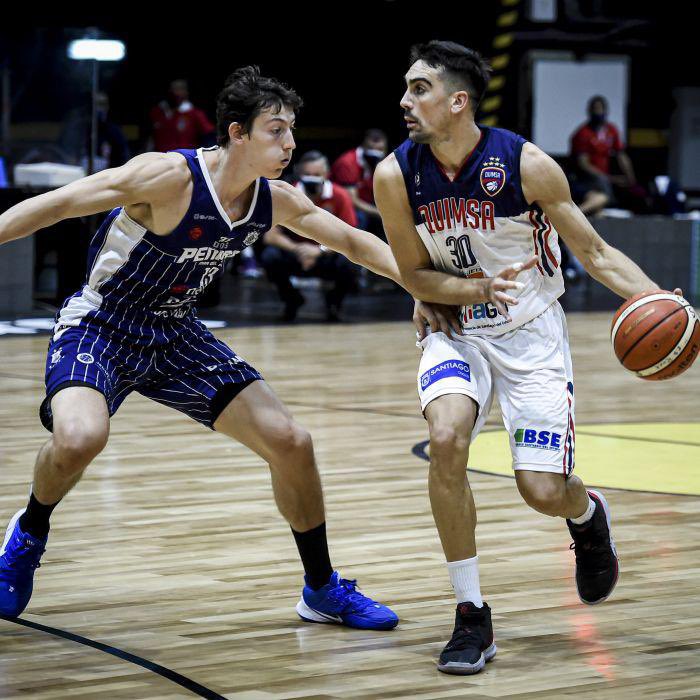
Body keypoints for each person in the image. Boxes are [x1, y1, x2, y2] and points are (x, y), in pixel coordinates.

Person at [0, 66, 456, 628]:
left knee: (292, 442)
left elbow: (353, 241)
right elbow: (57, 204)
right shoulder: (168, 177)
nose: (290, 144)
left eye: (292, 131)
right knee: (79, 438)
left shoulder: (274, 199)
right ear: (237, 133)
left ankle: (321, 589)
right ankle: (28, 535)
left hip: (177, 333)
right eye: (276, 130)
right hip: (103, 324)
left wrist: (425, 288)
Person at [373, 41, 683, 675]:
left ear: (457, 101)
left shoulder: (527, 164)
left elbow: (595, 253)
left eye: (419, 89)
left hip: (531, 333)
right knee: (447, 439)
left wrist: (660, 302)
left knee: (541, 491)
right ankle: (470, 613)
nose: (405, 101)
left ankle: (587, 517)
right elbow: (413, 273)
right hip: (456, 328)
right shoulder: (394, 175)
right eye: (406, 88)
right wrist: (465, 292)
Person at [261, 150, 359, 321]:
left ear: (326, 174)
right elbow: (270, 236)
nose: (311, 178)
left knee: (351, 262)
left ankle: (334, 302)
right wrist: (299, 249)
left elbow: (351, 237)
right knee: (270, 256)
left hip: (327, 255)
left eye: (316, 175)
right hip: (295, 253)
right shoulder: (285, 195)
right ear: (299, 173)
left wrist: (319, 251)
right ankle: (292, 299)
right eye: (307, 174)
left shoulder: (340, 196)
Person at [569, 95, 638, 216]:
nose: (597, 112)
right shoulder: (582, 133)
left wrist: (630, 178)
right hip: (586, 181)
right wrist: (608, 178)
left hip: (605, 180)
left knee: (599, 212)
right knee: (601, 198)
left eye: (600, 109)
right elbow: (583, 164)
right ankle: (573, 215)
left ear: (606, 111)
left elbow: (621, 156)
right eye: (594, 109)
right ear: (589, 111)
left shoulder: (611, 130)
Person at [331, 128, 387, 231]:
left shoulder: (384, 161)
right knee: (360, 217)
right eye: (371, 148)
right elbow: (353, 200)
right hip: (345, 205)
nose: (375, 152)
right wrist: (380, 214)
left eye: (380, 149)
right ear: (363, 145)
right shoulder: (347, 163)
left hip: (368, 202)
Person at [149, 79, 215, 152]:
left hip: (184, 157)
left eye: (180, 89)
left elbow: (210, 135)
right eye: (174, 89)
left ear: (186, 92)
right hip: (159, 156)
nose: (176, 93)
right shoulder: (156, 112)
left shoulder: (195, 113)